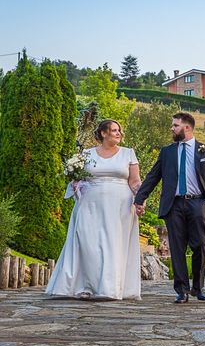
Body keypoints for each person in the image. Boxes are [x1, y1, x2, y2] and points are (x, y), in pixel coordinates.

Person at [46, 120, 142, 300]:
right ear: (103, 133)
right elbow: (78, 177)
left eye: (119, 130)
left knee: (112, 244)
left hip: (119, 206)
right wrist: (74, 181)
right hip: (89, 204)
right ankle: (84, 285)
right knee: (86, 242)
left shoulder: (128, 154)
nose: (118, 133)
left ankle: (108, 287)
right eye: (114, 130)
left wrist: (140, 200)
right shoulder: (86, 154)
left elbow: (135, 182)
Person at [134, 112, 205, 304]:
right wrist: (139, 199)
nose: (171, 128)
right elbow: (153, 177)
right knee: (177, 248)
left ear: (187, 128)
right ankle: (181, 290)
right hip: (174, 205)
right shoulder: (167, 152)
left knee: (199, 245)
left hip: (198, 204)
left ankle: (198, 288)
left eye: (175, 125)